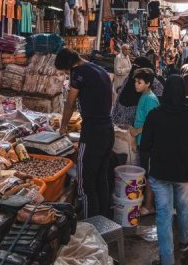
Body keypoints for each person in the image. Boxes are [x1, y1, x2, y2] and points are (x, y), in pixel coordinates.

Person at [140, 75, 188, 265]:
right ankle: (185, 240)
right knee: (185, 207)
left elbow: (145, 146)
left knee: (164, 215)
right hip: (185, 173)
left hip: (160, 173)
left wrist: (150, 163)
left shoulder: (154, 115)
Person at [56, 47, 114, 218]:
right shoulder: (99, 69)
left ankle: (90, 228)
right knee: (101, 178)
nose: (67, 75)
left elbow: (70, 103)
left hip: (92, 133)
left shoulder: (78, 73)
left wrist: (63, 127)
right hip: (107, 129)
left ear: (69, 67)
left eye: (65, 72)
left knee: (86, 184)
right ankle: (104, 221)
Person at [130, 67, 160, 215]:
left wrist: (136, 131)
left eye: (139, 82)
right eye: (135, 82)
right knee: (145, 173)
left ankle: (149, 206)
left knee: (149, 175)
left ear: (148, 83)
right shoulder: (144, 96)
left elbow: (151, 122)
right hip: (142, 141)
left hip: (148, 143)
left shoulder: (150, 99)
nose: (136, 84)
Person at [112, 56, 164, 127]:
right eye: (134, 65)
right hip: (120, 126)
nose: (135, 68)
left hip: (138, 128)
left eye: (138, 66)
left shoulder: (153, 82)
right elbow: (119, 98)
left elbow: (159, 100)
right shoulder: (130, 78)